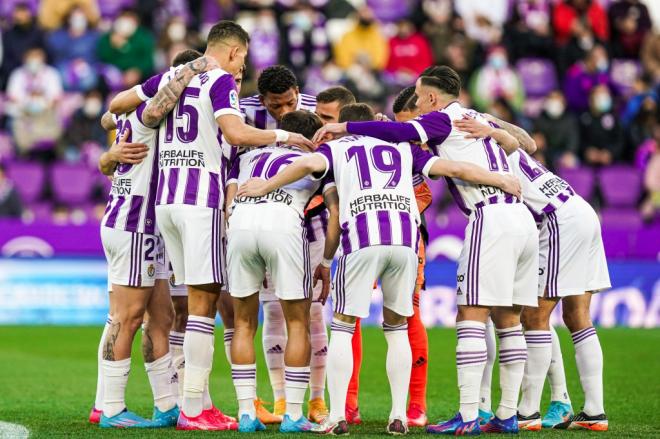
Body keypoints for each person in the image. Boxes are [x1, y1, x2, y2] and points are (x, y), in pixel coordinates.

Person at [237, 102, 523, 436]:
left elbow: (309, 162)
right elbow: (454, 169)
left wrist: (264, 185)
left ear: (345, 125)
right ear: (372, 122)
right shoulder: (401, 147)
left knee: (343, 327)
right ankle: (399, 416)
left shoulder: (337, 147)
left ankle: (340, 416)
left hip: (361, 238)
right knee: (397, 328)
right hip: (404, 241)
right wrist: (499, 179)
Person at [313, 66, 539, 435]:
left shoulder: (441, 119)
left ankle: (467, 418)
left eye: (418, 98)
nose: (417, 105)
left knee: (470, 316)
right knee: (509, 319)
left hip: (491, 216)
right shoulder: (475, 116)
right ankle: (508, 414)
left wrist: (346, 127)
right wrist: (497, 129)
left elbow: (404, 133)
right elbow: (526, 144)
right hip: (522, 219)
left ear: (432, 98)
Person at [112, 20, 312, 431]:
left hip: (165, 201)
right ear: (236, 52)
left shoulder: (172, 75)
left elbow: (117, 104)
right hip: (200, 202)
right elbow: (234, 132)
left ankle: (192, 402)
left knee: (188, 305)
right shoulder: (220, 80)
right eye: (243, 58)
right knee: (203, 308)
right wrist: (284, 139)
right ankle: (192, 408)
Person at [456, 115, 611, 431]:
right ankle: (594, 411)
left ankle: (527, 412)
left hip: (556, 222)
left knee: (534, 317)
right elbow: (529, 141)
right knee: (577, 316)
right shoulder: (510, 148)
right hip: (581, 211)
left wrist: (488, 126)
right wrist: (492, 123)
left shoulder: (488, 154)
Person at [93, 50, 215, 429]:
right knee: (126, 317)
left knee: (160, 317)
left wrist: (108, 153)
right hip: (133, 223)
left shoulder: (142, 117)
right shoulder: (155, 111)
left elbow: (108, 116)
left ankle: (166, 404)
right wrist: (195, 68)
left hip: (146, 226)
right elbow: (137, 106)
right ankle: (109, 407)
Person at [225, 110, 339, 433]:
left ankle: (246, 413)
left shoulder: (248, 155)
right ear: (309, 137)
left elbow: (228, 201)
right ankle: (292, 415)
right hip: (283, 223)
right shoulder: (316, 156)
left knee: (244, 322)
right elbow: (335, 212)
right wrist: (327, 262)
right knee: (298, 322)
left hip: (240, 226)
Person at [239, 65, 328, 425]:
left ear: (298, 92)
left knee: (312, 313)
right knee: (279, 313)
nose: (284, 112)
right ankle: (283, 405)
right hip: (282, 222)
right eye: (275, 106)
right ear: (262, 101)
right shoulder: (241, 112)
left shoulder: (316, 107)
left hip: (306, 218)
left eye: (289, 102)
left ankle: (316, 400)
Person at [6, 46, 63, 156]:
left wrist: (41, 104)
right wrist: (28, 103)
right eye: (31, 57)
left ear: (43, 59)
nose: (34, 60)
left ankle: (47, 152)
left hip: (45, 114)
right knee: (15, 121)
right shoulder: (17, 74)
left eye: (37, 57)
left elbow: (56, 97)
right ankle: (24, 153)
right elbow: (12, 97)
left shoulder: (51, 74)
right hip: (23, 114)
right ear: (25, 59)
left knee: (55, 119)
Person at [97, 8, 156, 87]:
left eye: (130, 18)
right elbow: (103, 57)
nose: (126, 22)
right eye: (124, 18)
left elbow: (148, 61)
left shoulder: (143, 36)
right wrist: (113, 46)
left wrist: (137, 71)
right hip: (114, 78)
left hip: (139, 79)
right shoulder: (108, 37)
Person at [46, 6, 100, 91]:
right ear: (69, 19)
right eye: (75, 17)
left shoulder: (93, 36)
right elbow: (55, 54)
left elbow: (97, 56)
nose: (78, 20)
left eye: (81, 17)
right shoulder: (59, 36)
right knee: (64, 77)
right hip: (64, 66)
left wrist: (84, 62)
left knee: (88, 80)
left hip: (87, 66)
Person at [0, 2, 45, 89]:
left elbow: (44, 54)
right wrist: (19, 72)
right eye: (18, 12)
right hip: (14, 74)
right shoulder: (8, 35)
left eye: (23, 12)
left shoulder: (38, 33)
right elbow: (6, 60)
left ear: (29, 14)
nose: (21, 15)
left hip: (37, 71)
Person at [532, 91, 581, 170]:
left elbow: (573, 140)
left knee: (571, 162)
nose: (554, 102)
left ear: (563, 103)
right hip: (546, 154)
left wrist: (569, 153)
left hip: (563, 154)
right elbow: (536, 138)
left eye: (557, 99)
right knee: (535, 162)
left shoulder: (569, 119)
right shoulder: (540, 118)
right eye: (552, 99)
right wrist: (538, 151)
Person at [580, 85, 625, 166]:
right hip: (587, 164)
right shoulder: (583, 118)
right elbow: (579, 140)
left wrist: (610, 153)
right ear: (591, 99)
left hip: (611, 164)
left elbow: (620, 140)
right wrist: (587, 151)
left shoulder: (615, 117)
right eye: (599, 95)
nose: (603, 98)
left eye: (606, 94)